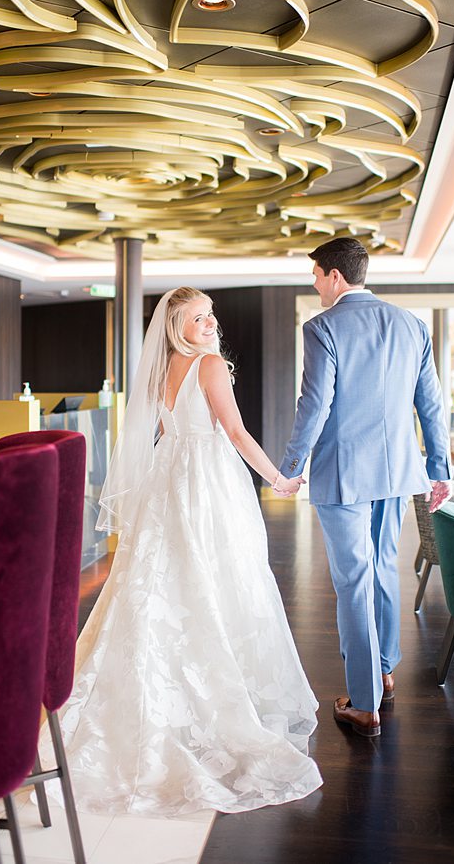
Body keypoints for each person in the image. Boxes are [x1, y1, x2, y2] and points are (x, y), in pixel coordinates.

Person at [58, 287, 322, 816]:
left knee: (160, 581)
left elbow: (161, 431)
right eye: (197, 318)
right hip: (209, 483)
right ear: (177, 325)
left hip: (170, 478)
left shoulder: (163, 367)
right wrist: (278, 479)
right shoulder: (210, 364)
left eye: (210, 314)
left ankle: (152, 689)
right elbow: (235, 431)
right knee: (220, 577)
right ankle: (216, 693)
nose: (209, 323)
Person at [275, 237, 451, 738]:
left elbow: (315, 405)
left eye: (315, 275)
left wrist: (291, 464)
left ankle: (364, 701)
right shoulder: (412, 325)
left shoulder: (322, 327)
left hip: (345, 473)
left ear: (334, 276)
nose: (314, 284)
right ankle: (385, 670)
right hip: (398, 472)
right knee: (381, 567)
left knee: (354, 581)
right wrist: (439, 468)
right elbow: (431, 406)